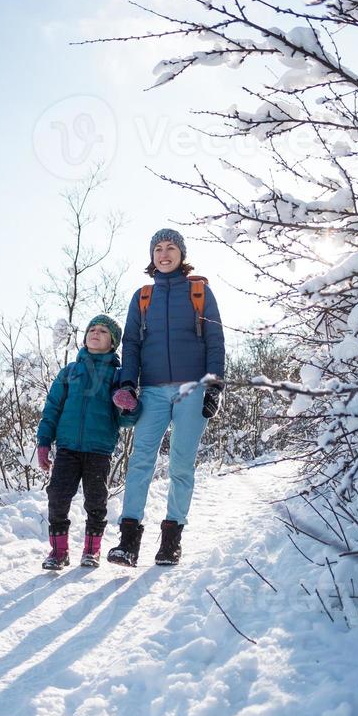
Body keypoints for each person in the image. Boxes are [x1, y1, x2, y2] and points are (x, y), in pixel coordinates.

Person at [107, 228, 226, 566]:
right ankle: (128, 542)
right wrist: (128, 384)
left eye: (170, 247)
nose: (164, 253)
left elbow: (215, 341)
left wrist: (214, 387)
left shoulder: (199, 292)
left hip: (192, 390)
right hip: (153, 392)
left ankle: (171, 539)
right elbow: (130, 344)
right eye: (157, 248)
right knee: (140, 461)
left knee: (181, 464)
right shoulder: (143, 297)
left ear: (181, 254)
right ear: (151, 256)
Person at [35, 315, 138, 570]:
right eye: (92, 329)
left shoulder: (118, 375)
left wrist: (129, 407)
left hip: (99, 448)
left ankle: (92, 551)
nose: (95, 333)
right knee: (57, 495)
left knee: (96, 499)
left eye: (103, 330)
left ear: (112, 342)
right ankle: (58, 552)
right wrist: (44, 442)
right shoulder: (69, 372)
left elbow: (127, 419)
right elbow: (52, 409)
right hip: (67, 448)